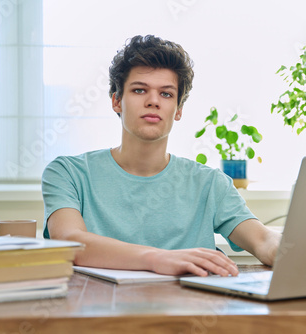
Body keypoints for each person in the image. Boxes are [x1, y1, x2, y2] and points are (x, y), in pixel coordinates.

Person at [42, 35, 281, 277]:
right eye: (139, 90)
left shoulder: (210, 184)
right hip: (101, 310)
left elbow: (263, 240)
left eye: (166, 94)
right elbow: (70, 243)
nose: (153, 101)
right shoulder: (68, 173)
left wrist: (290, 248)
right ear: (117, 101)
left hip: (189, 311)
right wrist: (159, 258)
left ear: (178, 110)